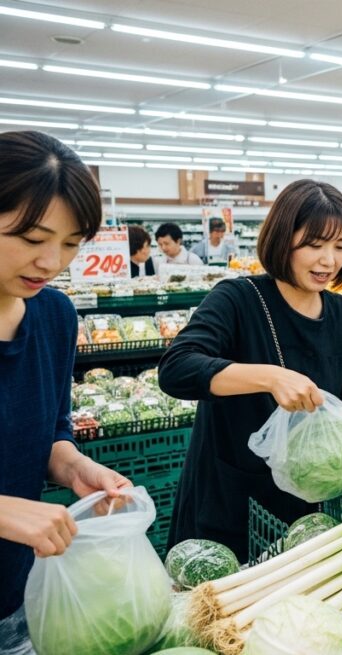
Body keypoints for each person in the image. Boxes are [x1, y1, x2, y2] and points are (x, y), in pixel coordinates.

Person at [159, 179, 342, 560]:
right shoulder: (238, 299)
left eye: (340, 247)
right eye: (315, 244)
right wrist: (271, 377)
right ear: (282, 239)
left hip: (309, 507)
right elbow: (177, 368)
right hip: (231, 503)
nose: (329, 261)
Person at [0, 131, 131, 652]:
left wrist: (76, 467)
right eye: (33, 239)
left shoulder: (55, 316)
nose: (52, 261)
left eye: (73, 243)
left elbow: (49, 432)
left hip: (19, 597)